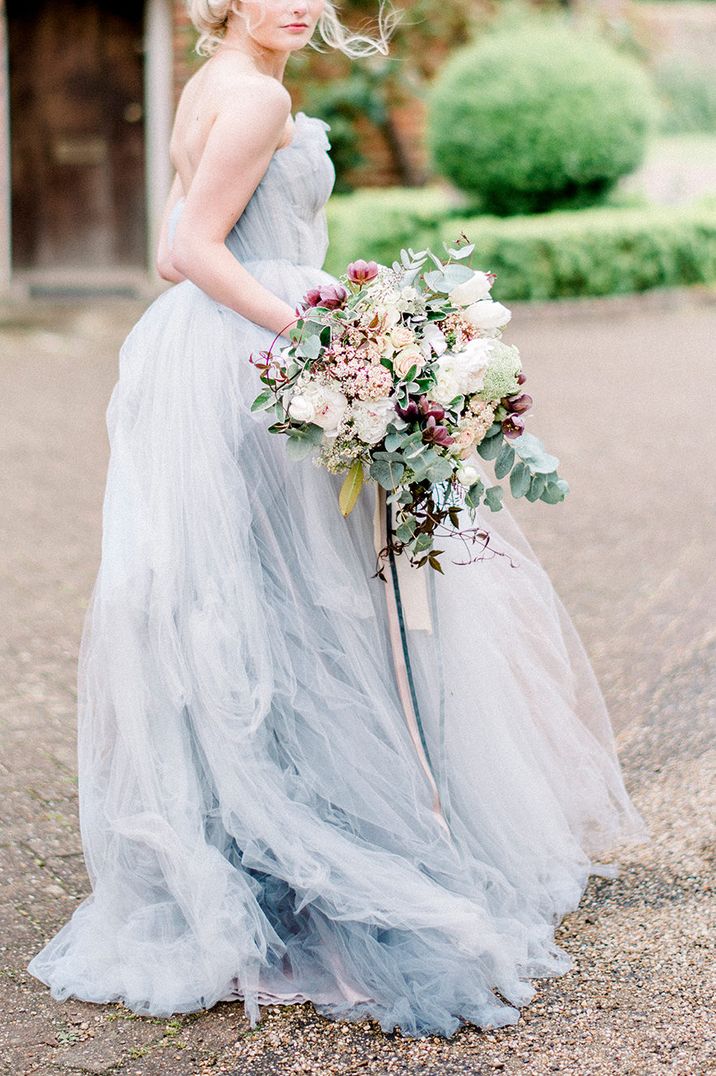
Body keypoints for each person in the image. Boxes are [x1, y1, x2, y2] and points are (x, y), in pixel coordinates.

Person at [27, 0, 648, 1040]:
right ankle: (328, 866)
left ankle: (270, 865)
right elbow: (190, 245)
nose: (300, 4)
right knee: (304, 613)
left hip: (223, 355)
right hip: (260, 361)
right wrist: (330, 336)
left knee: (263, 608)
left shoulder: (213, 85)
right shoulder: (256, 94)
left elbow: (184, 254)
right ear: (220, 0)